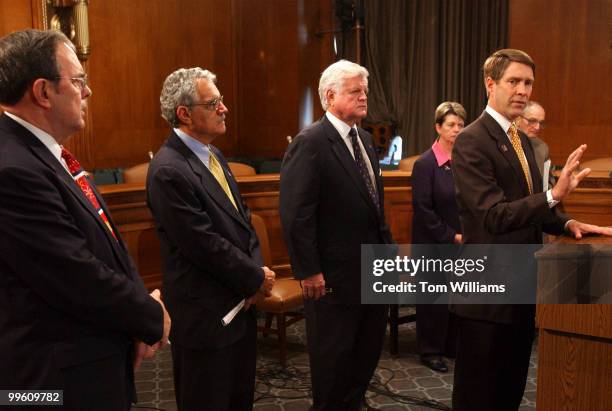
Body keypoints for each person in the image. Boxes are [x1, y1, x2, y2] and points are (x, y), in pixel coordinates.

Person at [0, 29, 170, 410]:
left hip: (88, 360)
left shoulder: (43, 154)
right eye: (78, 81)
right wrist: (148, 315)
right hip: (52, 383)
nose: (88, 92)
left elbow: (105, 243)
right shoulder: (13, 168)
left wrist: (135, 317)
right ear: (43, 92)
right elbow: (73, 272)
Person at [450, 48, 612, 411]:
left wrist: (568, 223)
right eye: (514, 82)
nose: (523, 90)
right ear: (490, 84)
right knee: (478, 399)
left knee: (508, 393)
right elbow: (493, 216)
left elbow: (533, 209)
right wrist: (554, 194)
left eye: (528, 83)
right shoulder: (472, 139)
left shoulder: (522, 141)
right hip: (486, 297)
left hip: (521, 287)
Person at [146, 67, 275, 411]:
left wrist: (254, 273)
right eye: (213, 102)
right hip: (204, 317)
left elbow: (244, 222)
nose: (224, 108)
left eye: (222, 101)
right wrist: (254, 278)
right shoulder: (168, 169)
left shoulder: (213, 155)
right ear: (184, 113)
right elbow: (202, 244)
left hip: (238, 308)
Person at [279, 60, 394, 411]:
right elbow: (296, 215)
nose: (364, 98)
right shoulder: (310, 142)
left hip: (372, 271)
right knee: (333, 363)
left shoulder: (365, 139)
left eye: (365, 91)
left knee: (366, 353)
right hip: (332, 277)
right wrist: (309, 270)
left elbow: (375, 205)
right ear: (330, 96)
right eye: (355, 91)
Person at [411, 101, 465, 373]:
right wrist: (451, 236)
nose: (456, 130)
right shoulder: (425, 163)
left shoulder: (464, 160)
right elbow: (423, 210)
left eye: (460, 125)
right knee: (433, 297)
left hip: (459, 241)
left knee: (456, 294)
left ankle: (451, 345)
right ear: (438, 127)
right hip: (432, 243)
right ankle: (430, 350)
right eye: (451, 125)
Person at [518, 100, 551, 188]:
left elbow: (547, 183)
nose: (537, 127)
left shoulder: (542, 148)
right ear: (518, 119)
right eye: (532, 121)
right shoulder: (504, 143)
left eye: (541, 123)